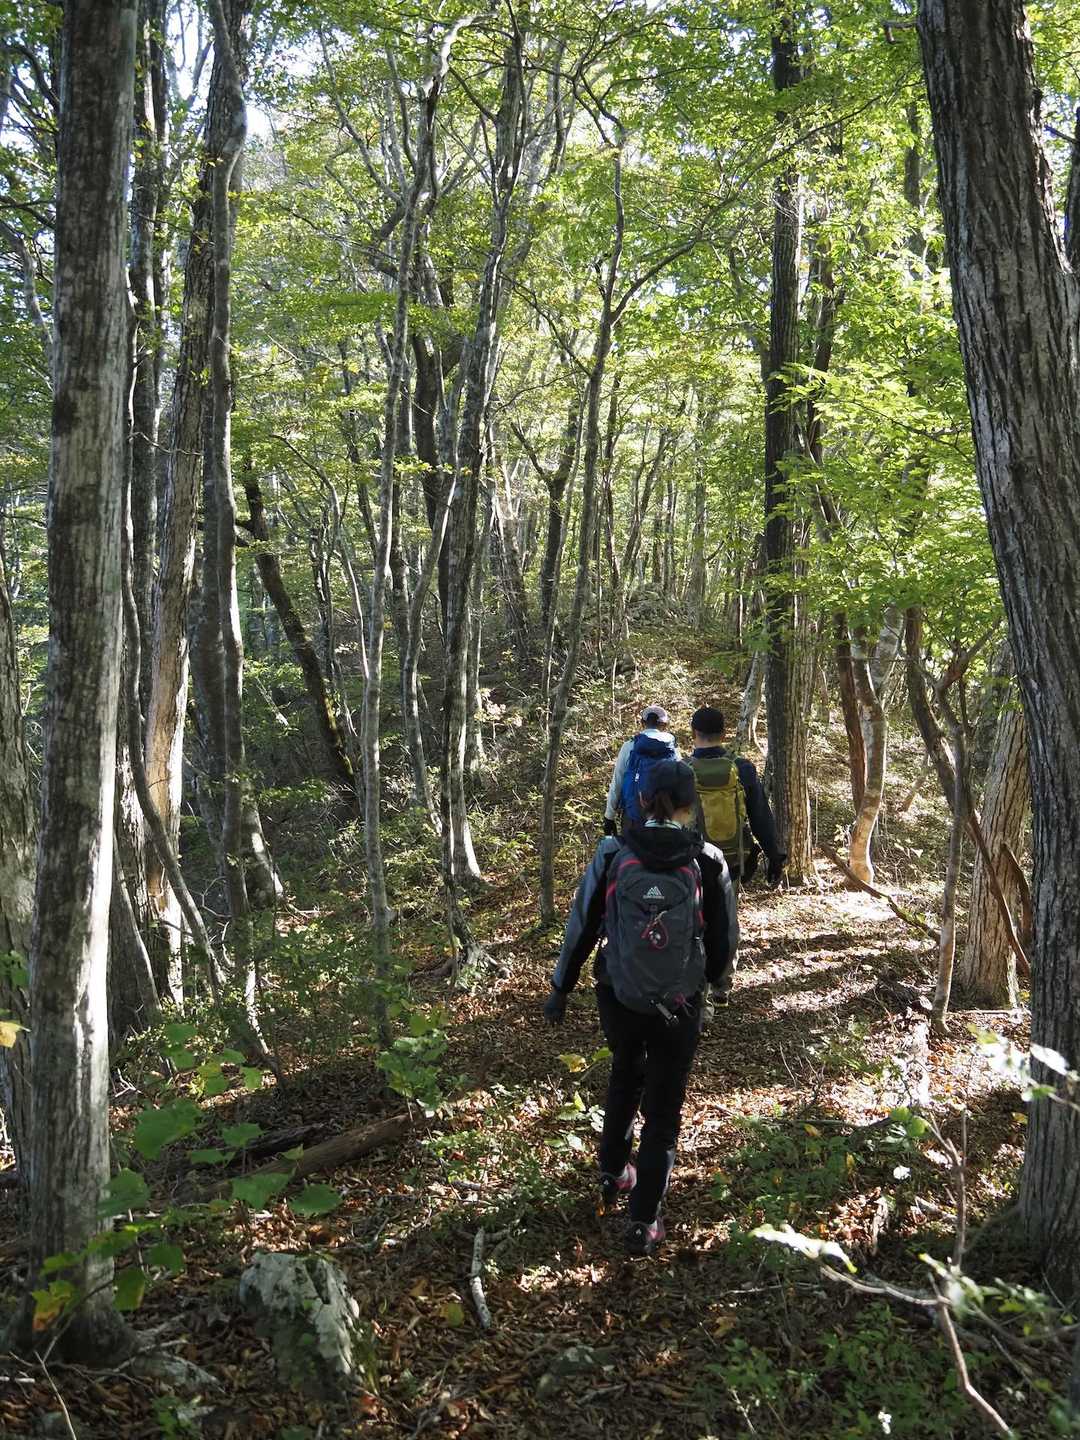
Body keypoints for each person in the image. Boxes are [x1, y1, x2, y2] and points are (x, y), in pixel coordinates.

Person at [543, 760, 738, 1257]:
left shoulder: (613, 852)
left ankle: (613, 1174)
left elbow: (583, 923)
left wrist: (561, 986)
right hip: (680, 1002)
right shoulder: (707, 859)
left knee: (624, 1076)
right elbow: (722, 940)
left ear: (644, 800)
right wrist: (717, 983)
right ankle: (644, 1222)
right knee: (664, 1109)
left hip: (620, 994)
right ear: (690, 803)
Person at [688, 704, 786, 1021]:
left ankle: (697, 991)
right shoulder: (741, 768)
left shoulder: (681, 769)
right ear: (724, 733)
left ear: (694, 733)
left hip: (690, 862)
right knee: (726, 922)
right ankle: (722, 986)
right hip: (729, 861)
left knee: (694, 923)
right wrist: (774, 854)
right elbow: (759, 814)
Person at [603, 704, 679, 835]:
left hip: (633, 817)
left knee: (632, 848)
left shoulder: (629, 746)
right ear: (664, 725)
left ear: (642, 723)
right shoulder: (672, 749)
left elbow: (617, 782)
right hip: (664, 818)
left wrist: (609, 816)